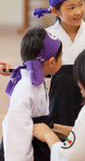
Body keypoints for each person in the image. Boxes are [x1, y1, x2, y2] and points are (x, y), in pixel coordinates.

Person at [1, 27, 63, 161]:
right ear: (51, 62)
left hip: (38, 147)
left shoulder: (36, 77)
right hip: (28, 151)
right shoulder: (25, 89)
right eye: (61, 56)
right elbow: (17, 138)